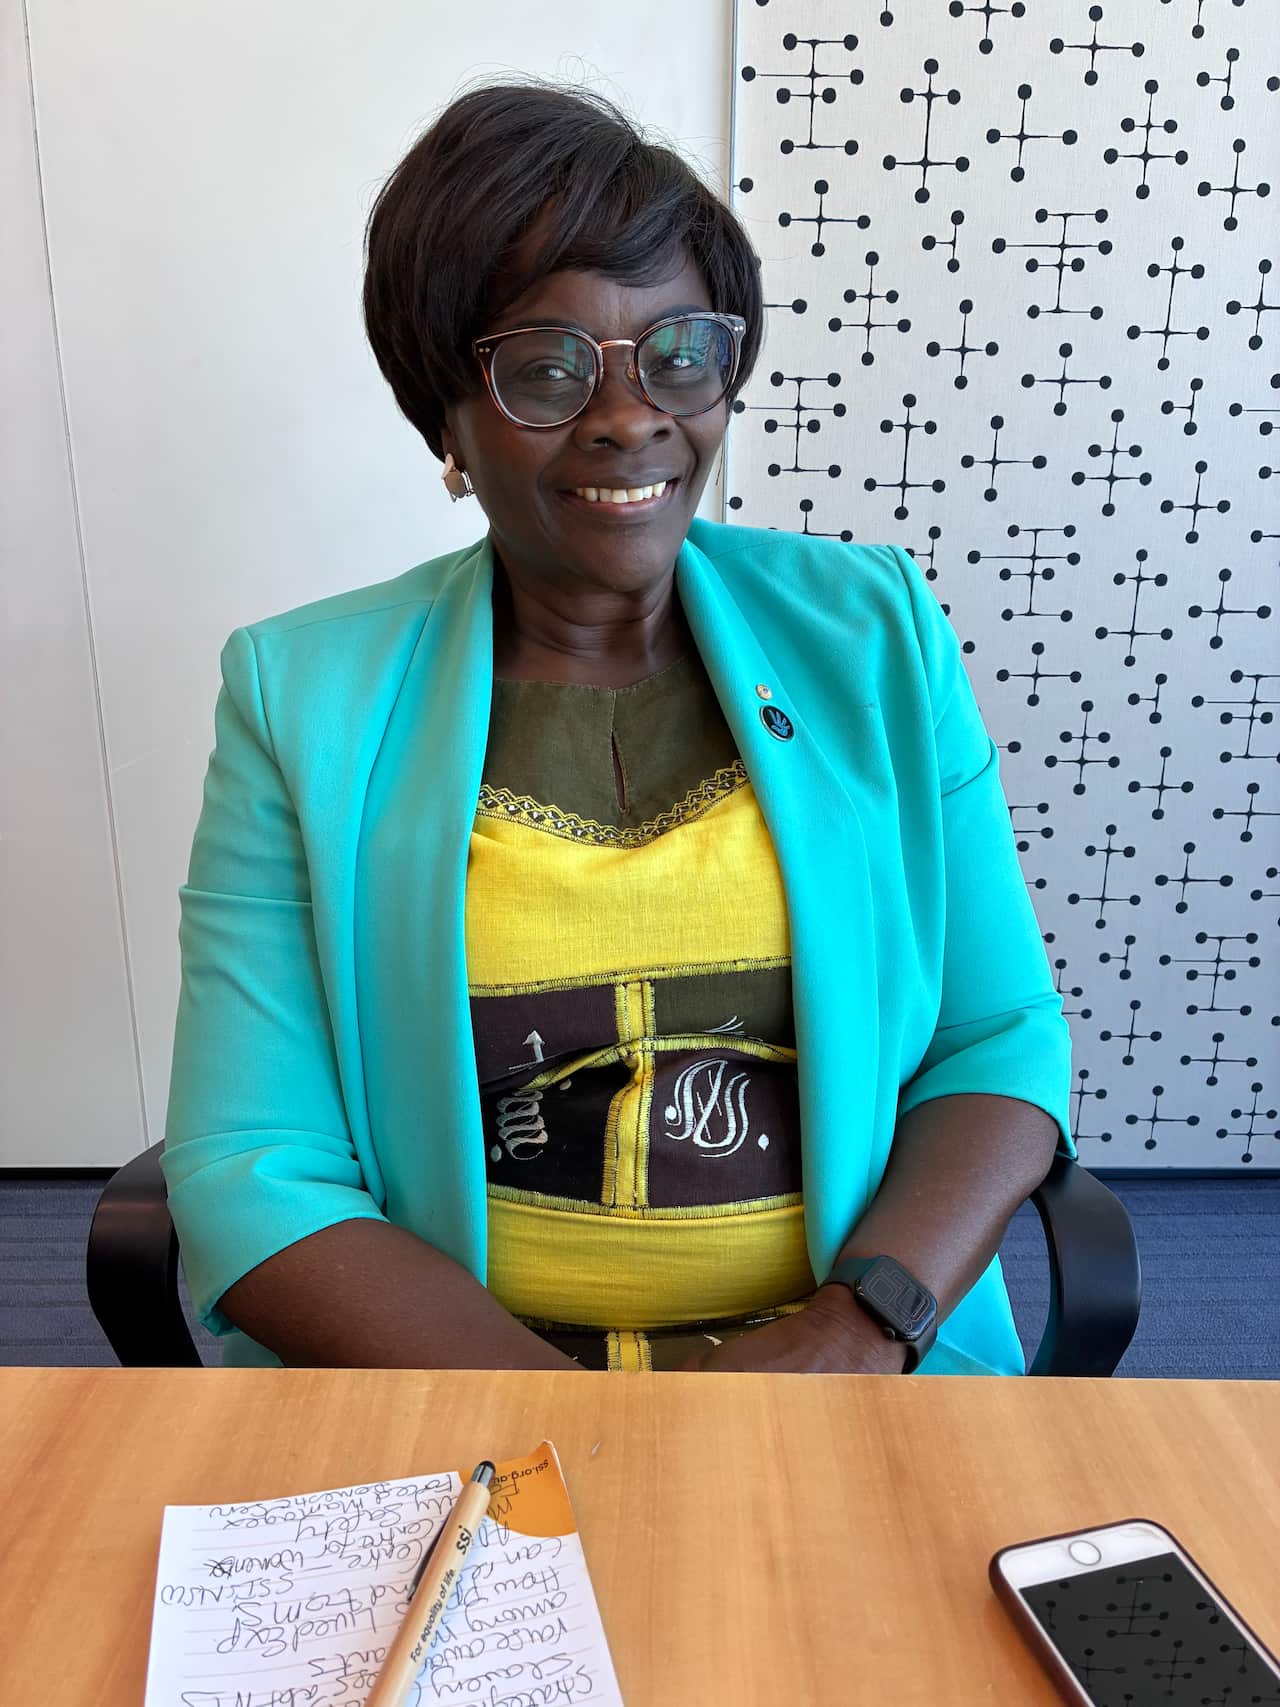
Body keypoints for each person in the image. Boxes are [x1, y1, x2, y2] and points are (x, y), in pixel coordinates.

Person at [160, 79, 1074, 1375]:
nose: (632, 412)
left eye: (680, 352)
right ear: (449, 424)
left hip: (852, 1366)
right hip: (456, 1386)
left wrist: (863, 1327)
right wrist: (587, 1429)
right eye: (547, 368)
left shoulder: (874, 637)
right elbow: (251, 1165)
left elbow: (997, 1036)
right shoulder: (301, 695)